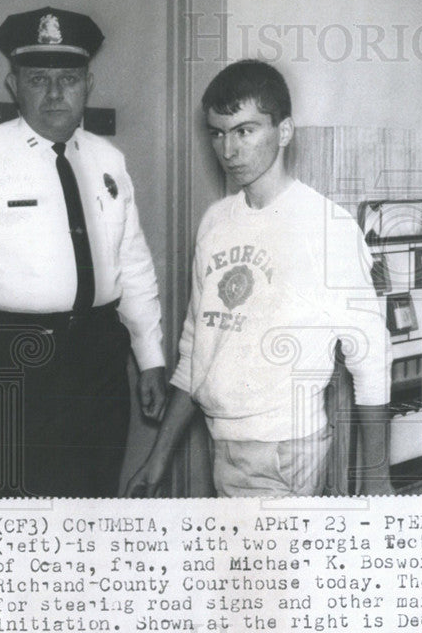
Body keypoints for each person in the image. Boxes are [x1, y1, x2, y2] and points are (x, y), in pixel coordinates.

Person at [127, 60, 392, 498]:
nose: (228, 150)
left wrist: (378, 476)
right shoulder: (216, 222)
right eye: (217, 132)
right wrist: (158, 458)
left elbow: (370, 357)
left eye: (245, 131)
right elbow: (199, 348)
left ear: (284, 131)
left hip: (284, 451)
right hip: (225, 443)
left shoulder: (325, 225)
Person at [0, 7, 166, 499]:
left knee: (92, 509)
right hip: (6, 366)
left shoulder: (109, 160)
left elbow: (132, 264)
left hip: (98, 364)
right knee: (8, 514)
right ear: (12, 84)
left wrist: (150, 356)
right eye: (38, 78)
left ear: (88, 84)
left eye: (68, 78)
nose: (53, 93)